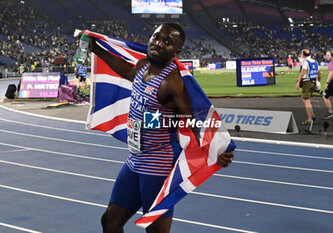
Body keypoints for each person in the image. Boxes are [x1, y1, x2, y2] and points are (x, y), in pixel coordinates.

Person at [83, 23, 234, 233]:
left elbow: (192, 121)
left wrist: (217, 150)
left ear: (177, 52)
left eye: (167, 42)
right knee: (110, 222)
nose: (158, 44)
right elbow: (127, 71)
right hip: (135, 159)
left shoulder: (172, 82)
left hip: (158, 166)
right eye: (156, 38)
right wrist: (96, 49)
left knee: (153, 231)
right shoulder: (143, 65)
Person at [296, 49, 321, 125]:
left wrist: (298, 81)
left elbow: (303, 71)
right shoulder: (315, 61)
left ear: (303, 55)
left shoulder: (305, 61)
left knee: (307, 101)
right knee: (305, 99)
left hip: (307, 82)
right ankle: (312, 116)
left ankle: (310, 120)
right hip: (313, 82)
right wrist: (318, 81)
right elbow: (319, 73)